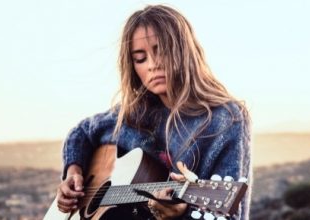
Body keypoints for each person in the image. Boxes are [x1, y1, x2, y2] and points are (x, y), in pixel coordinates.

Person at [55, 4, 251, 220]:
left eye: (162, 51)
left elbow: (231, 215)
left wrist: (182, 213)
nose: (152, 65)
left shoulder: (225, 119)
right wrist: (73, 172)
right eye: (140, 58)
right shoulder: (134, 113)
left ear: (184, 51)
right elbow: (82, 132)